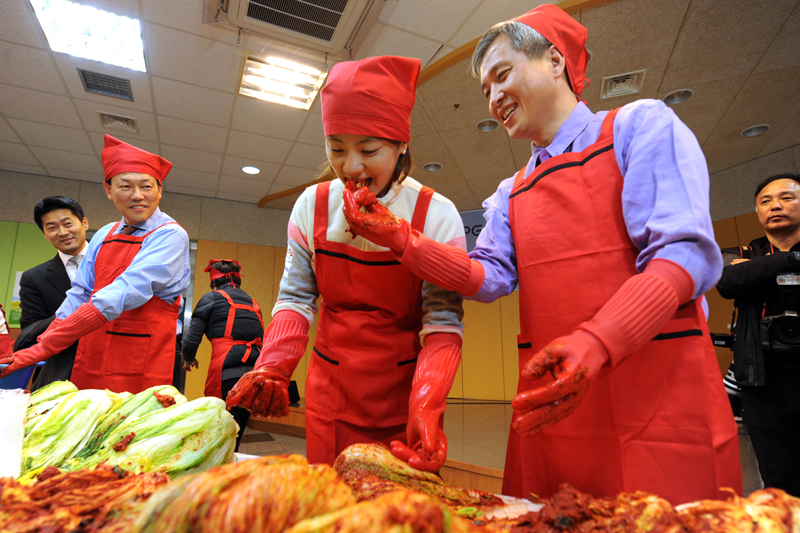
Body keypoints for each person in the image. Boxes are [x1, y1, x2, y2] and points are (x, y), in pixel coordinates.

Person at [342, 5, 741, 504]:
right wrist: (401, 237)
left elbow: (681, 255)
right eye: (484, 90)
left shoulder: (638, 128)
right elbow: (486, 277)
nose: (493, 98)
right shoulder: (512, 191)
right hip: (555, 404)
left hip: (660, 396)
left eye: (501, 75)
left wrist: (599, 341)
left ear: (554, 60)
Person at [226, 56, 466, 472]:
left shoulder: (436, 215)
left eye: (368, 150)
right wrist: (274, 363)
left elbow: (443, 322)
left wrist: (427, 402)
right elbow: (296, 298)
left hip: (404, 392)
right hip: (330, 391)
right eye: (336, 148)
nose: (351, 167)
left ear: (402, 144)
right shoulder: (312, 206)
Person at [0, 135, 191, 394]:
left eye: (146, 186)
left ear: (159, 190)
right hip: (94, 347)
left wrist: (45, 347)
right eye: (125, 186)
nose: (138, 196)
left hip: (143, 350)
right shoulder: (104, 234)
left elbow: (122, 291)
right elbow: (80, 292)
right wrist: (45, 340)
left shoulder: (169, 235)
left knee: (128, 425)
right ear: (108, 190)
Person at [717, 173, 800, 497]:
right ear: (757, 211)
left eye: (787, 197)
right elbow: (727, 281)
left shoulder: (748, 261)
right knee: (779, 486)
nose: (775, 205)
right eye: (765, 201)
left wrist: (759, 271)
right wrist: (793, 259)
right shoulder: (736, 252)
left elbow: (744, 276)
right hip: (762, 385)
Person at [181, 259, 264, 451]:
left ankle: (217, 472)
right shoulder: (254, 303)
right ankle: (230, 468)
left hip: (226, 372)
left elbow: (191, 339)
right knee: (237, 431)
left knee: (219, 428)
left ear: (214, 282)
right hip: (253, 373)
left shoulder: (211, 298)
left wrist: (189, 359)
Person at [14, 196, 89, 390]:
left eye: (67, 223)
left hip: (113, 364)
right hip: (60, 372)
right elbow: (31, 330)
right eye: (52, 227)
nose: (63, 232)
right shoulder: (34, 278)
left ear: (84, 223)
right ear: (45, 234)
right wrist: (75, 311)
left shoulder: (116, 264)